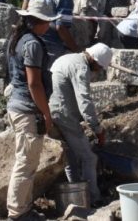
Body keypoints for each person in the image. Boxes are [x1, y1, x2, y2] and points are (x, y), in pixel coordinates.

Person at [5, 0, 60, 221]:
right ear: (41, 22)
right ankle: (18, 213)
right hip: (27, 109)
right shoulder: (33, 44)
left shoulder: (17, 39)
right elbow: (34, 83)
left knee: (25, 161)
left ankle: (22, 208)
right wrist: (46, 113)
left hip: (18, 106)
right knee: (25, 163)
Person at [49, 43, 111, 206]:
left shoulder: (68, 58)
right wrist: (97, 129)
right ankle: (94, 198)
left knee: (70, 159)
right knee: (89, 158)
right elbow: (84, 101)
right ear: (95, 60)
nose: (97, 71)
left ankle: (77, 199)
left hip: (52, 112)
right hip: (64, 115)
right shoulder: (81, 68)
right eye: (98, 67)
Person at [22, 0, 87, 60]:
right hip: (49, 43)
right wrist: (76, 49)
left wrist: (23, 22)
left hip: (29, 35)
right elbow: (61, 27)